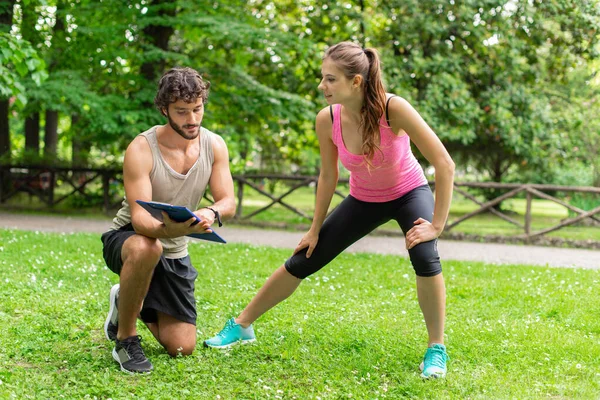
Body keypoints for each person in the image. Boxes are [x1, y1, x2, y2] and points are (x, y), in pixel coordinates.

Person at [204, 42, 455, 379]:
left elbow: (444, 164)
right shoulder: (328, 118)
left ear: (356, 82)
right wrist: (314, 228)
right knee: (305, 257)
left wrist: (436, 225)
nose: (322, 86)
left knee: (424, 255)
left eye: (330, 79)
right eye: (323, 78)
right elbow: (328, 175)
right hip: (363, 198)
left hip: (408, 192)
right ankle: (242, 325)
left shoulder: (394, 109)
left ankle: (436, 348)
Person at [101, 67, 235, 374]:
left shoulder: (214, 145)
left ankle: (125, 298)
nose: (192, 119)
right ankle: (125, 341)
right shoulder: (141, 147)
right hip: (129, 237)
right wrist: (165, 229)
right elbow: (138, 219)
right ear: (165, 109)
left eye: (197, 109)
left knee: (181, 347)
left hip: (175, 245)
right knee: (148, 248)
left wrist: (211, 212)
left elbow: (228, 201)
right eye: (182, 112)